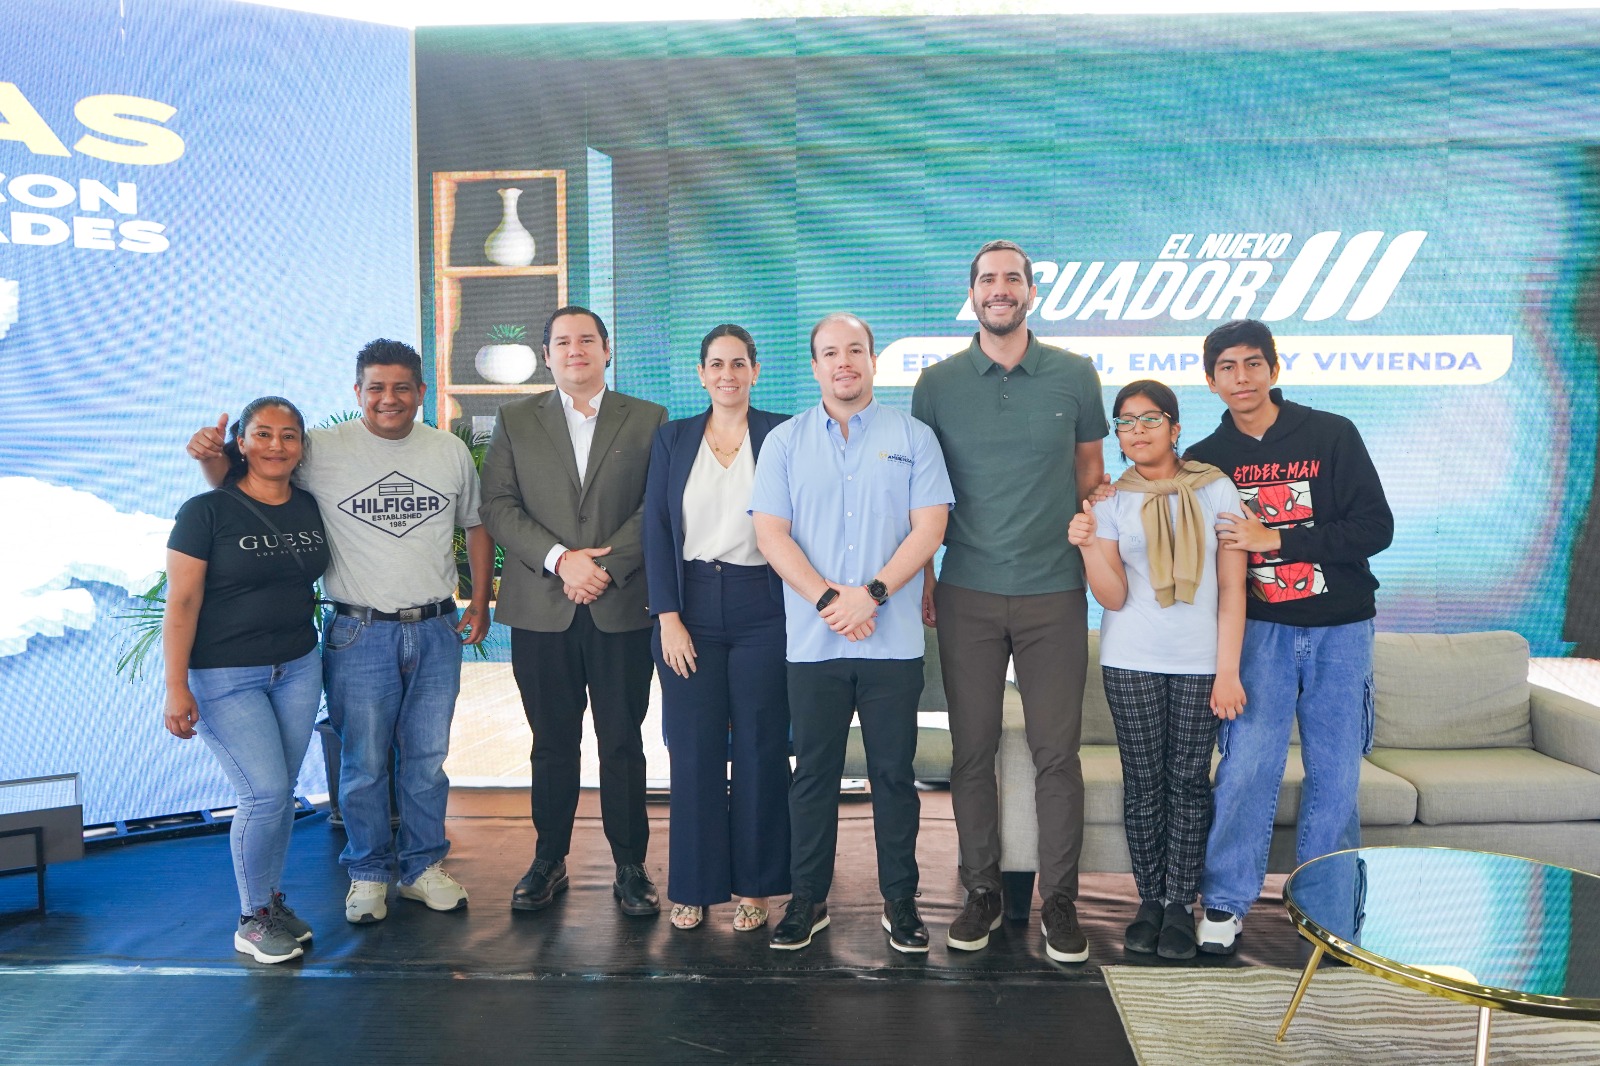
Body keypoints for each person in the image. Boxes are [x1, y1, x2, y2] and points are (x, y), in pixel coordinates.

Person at [187, 341, 493, 925]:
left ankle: (423, 867)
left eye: (401, 387)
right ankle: (369, 872)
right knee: (364, 762)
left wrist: (478, 601)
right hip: (359, 631)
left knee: (427, 759)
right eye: (376, 387)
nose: (388, 398)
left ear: (421, 393)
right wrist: (209, 455)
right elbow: (244, 481)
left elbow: (476, 525)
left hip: (436, 628)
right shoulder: (320, 449)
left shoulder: (448, 450)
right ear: (357, 392)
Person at [910, 239, 1108, 963]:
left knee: (1057, 753)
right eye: (988, 279)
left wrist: (1096, 552)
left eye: (1013, 279)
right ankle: (982, 892)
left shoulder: (1075, 374)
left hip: (1055, 591)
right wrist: (925, 577)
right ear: (972, 294)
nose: (1001, 289)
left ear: (1030, 292)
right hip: (967, 591)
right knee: (972, 753)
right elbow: (921, 491)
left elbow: (1091, 473)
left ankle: (1059, 901)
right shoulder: (936, 384)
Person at [1187, 318, 1393, 955]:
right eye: (1227, 367)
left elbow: (1376, 528)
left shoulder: (1331, 433)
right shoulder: (1205, 460)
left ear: (1273, 369)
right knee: (1246, 767)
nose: (1241, 378)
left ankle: (1327, 920)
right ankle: (1224, 904)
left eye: (1253, 363)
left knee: (1336, 778)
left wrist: (1276, 537)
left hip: (1341, 630)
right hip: (1259, 633)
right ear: (1210, 380)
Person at [751, 312, 952, 954]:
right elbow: (770, 533)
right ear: (815, 366)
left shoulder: (914, 436)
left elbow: (929, 527)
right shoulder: (784, 442)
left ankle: (901, 900)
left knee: (894, 775)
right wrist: (827, 599)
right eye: (831, 352)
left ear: (872, 360)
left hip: (893, 642)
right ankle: (807, 899)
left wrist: (871, 595)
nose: (845, 362)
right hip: (814, 644)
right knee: (813, 775)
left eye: (856, 350)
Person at [479, 306, 669, 918]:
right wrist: (562, 560)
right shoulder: (515, 419)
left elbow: (657, 507)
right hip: (543, 608)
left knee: (622, 743)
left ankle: (631, 866)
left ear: (608, 350)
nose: (575, 350)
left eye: (587, 340)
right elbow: (498, 506)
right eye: (562, 342)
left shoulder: (648, 418)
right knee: (551, 743)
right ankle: (548, 860)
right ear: (546, 356)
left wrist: (605, 568)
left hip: (621, 606)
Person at [1068, 379, 1246, 960]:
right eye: (1125, 421)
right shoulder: (1111, 499)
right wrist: (1088, 545)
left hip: (1200, 664)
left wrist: (1227, 671)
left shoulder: (1216, 488)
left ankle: (1180, 904)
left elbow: (1232, 587)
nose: (1137, 430)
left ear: (1175, 427)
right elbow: (1113, 596)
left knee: (1189, 782)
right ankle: (1149, 901)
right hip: (1130, 659)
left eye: (1150, 419)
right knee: (1143, 782)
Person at [165, 396, 329, 964]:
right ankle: (252, 919)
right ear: (241, 441)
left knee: (280, 794)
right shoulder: (205, 512)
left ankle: (271, 902)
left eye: (288, 435)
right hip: (225, 675)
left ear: (301, 446)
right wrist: (176, 686)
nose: (276, 445)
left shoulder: (309, 505)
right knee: (263, 793)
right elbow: (182, 603)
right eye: (263, 433)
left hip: (299, 667)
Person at [643, 324, 791, 933]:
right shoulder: (673, 438)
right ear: (701, 374)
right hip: (691, 607)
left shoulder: (783, 433)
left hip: (765, 606)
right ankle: (693, 888)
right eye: (716, 364)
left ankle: (756, 887)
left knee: (761, 747)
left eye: (738, 363)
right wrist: (668, 617)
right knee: (694, 750)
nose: (727, 374)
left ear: (755, 370)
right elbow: (655, 528)